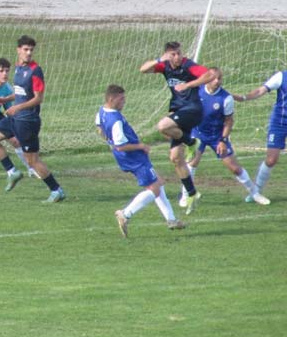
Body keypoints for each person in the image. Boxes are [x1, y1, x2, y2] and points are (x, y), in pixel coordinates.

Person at [0, 35, 65, 202]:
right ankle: (12, 172)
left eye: (31, 50)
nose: (28, 53)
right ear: (18, 50)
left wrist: (17, 107)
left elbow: (38, 98)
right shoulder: (19, 68)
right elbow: (21, 92)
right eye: (26, 49)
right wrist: (7, 99)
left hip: (27, 121)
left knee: (32, 161)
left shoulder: (36, 71)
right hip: (15, 118)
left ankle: (56, 190)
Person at [96, 84, 185, 238]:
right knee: (155, 189)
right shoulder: (116, 120)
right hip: (133, 157)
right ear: (111, 99)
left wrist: (109, 140)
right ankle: (125, 214)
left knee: (158, 181)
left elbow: (99, 128)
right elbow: (121, 146)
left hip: (127, 157)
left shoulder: (102, 111)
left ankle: (171, 220)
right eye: (121, 99)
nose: (124, 101)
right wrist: (141, 146)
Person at [140, 42, 215, 215]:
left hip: (192, 110)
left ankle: (191, 142)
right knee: (175, 158)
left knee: (163, 126)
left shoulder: (188, 65)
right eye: (173, 54)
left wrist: (188, 85)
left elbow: (210, 75)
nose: (177, 57)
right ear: (167, 56)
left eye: (179, 53)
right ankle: (192, 193)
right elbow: (143, 69)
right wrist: (159, 59)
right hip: (178, 112)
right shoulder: (164, 66)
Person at [179, 67, 270, 206]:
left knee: (234, 168)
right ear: (206, 79)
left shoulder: (226, 98)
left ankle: (255, 193)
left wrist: (223, 140)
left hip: (217, 136)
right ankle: (186, 196)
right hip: (198, 133)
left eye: (219, 78)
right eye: (214, 78)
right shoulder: (196, 91)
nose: (217, 81)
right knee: (192, 163)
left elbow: (228, 121)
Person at [235, 68, 287, 200]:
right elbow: (261, 90)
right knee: (271, 160)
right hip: (280, 123)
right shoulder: (281, 77)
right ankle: (256, 191)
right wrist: (244, 97)